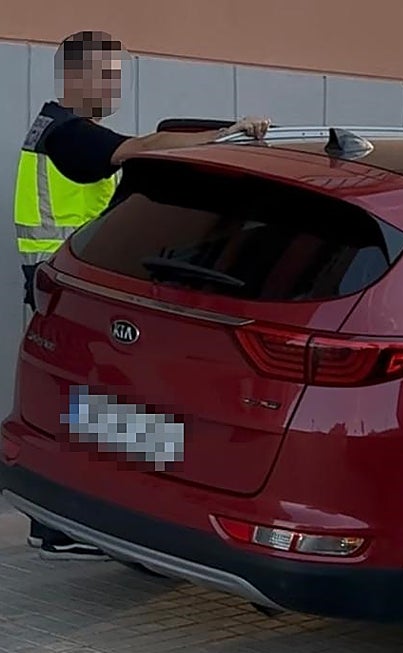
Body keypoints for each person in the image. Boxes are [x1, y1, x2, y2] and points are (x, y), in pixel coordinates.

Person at [13, 30, 270, 560]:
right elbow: (141, 150)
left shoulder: (53, 129)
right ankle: (64, 528)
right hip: (72, 297)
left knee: (83, 413)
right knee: (88, 416)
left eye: (119, 76)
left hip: (64, 294)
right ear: (74, 76)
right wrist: (225, 136)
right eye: (107, 76)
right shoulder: (70, 136)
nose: (115, 87)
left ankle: (61, 526)